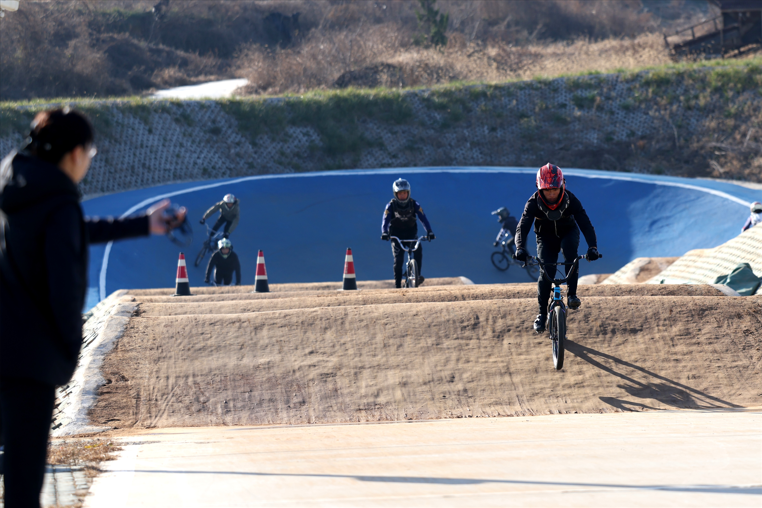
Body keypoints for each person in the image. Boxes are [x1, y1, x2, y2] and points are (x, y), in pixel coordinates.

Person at [0, 108, 186, 508]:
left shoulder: (17, 189)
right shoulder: (58, 203)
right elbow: (65, 289)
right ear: (74, 154)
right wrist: (68, 352)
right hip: (30, 361)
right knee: (23, 482)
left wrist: (142, 224)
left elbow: (69, 231)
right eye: (90, 151)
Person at [513, 163, 599, 333]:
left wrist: (592, 247)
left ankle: (572, 295)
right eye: (547, 190)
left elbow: (585, 224)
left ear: (562, 186)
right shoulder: (533, 203)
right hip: (545, 237)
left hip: (568, 232)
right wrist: (520, 248)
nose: (551, 194)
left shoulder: (571, 200)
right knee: (546, 272)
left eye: (555, 189)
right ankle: (542, 314)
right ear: (539, 189)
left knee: (570, 254)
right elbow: (522, 227)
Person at [381, 178, 435, 288]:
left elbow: (423, 218)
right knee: (398, 259)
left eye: (405, 193)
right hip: (396, 235)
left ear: (408, 193)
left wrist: (429, 231)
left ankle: (417, 276)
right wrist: (385, 232)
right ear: (395, 194)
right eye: (400, 193)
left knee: (418, 250)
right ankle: (397, 285)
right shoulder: (390, 206)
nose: (402, 196)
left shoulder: (414, 204)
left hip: (411, 234)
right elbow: (385, 221)